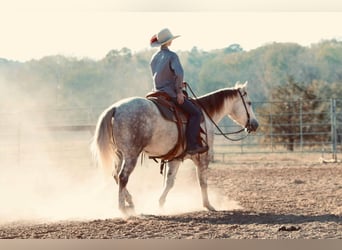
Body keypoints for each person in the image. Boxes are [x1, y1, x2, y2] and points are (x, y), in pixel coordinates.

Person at [149, 28, 208, 155]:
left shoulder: (154, 57)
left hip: (156, 92)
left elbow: (159, 76)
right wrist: (179, 91)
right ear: (169, 41)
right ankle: (192, 145)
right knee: (196, 113)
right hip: (170, 93)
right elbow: (179, 73)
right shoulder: (172, 55)